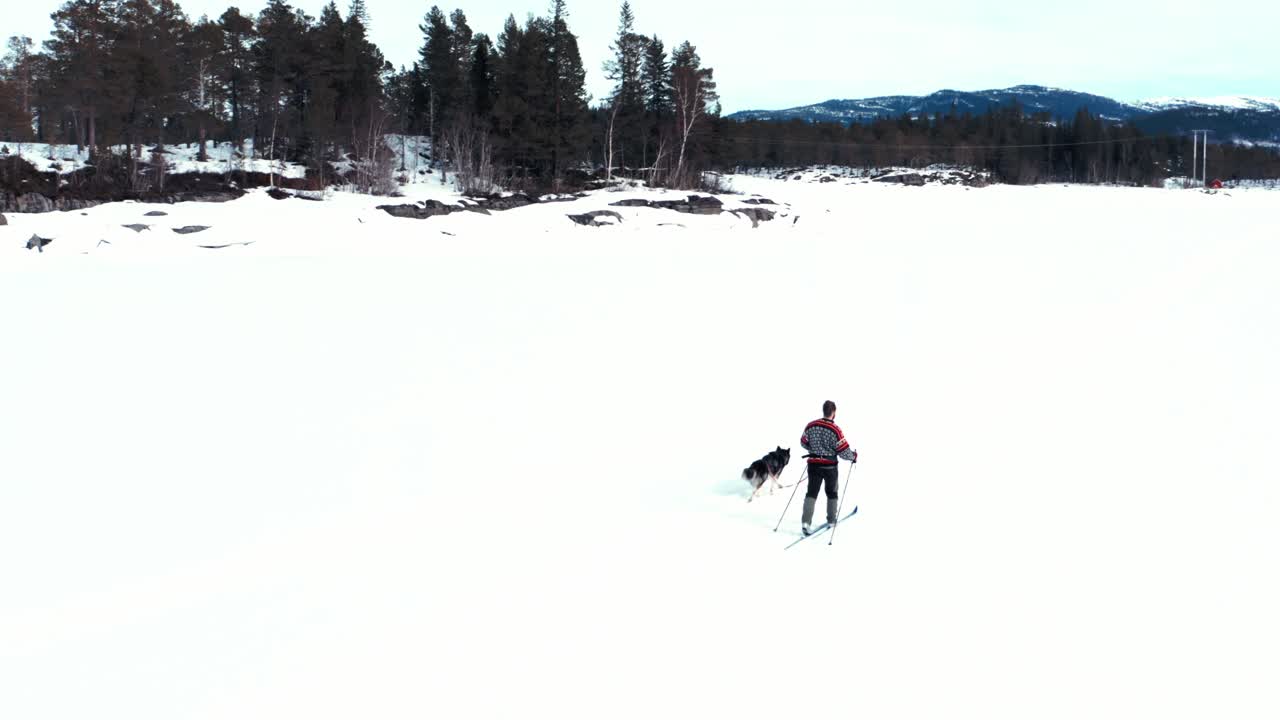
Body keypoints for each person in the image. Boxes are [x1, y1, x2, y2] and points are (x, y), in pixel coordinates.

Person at [799, 400, 858, 535]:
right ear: (834, 412)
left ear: (823, 410)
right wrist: (853, 456)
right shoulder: (835, 430)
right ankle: (831, 520)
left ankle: (806, 523)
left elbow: (803, 442)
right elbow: (843, 451)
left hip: (813, 465)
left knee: (811, 493)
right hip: (830, 467)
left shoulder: (811, 425)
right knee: (832, 493)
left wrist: (814, 449)